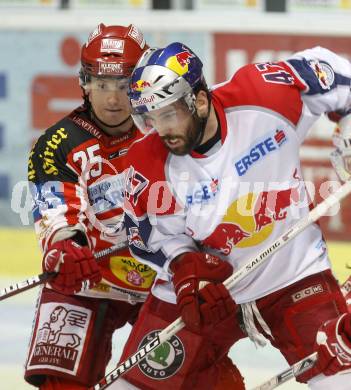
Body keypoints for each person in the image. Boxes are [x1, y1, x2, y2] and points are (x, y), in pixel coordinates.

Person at [118, 42, 351, 389]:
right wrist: (185, 268)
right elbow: (150, 235)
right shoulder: (147, 161)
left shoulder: (265, 93)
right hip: (208, 294)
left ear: (197, 99)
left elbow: (337, 74)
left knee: (341, 377)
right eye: (150, 118)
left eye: (167, 114)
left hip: (293, 276)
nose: (159, 129)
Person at [24, 23, 155, 390]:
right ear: (84, 82)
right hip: (84, 277)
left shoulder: (167, 128)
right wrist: (65, 246)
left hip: (159, 279)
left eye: (124, 86)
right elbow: (57, 209)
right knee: (60, 385)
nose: (112, 99)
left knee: (199, 375)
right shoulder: (58, 142)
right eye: (101, 84)